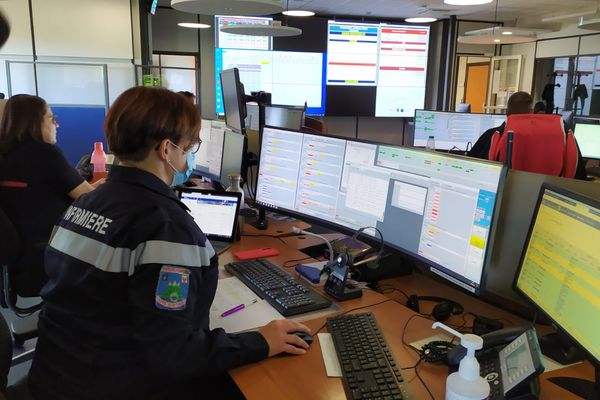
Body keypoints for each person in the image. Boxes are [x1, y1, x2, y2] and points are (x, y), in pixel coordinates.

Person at [28, 87, 311, 400]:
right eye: (190, 148)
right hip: (113, 384)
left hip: (55, 374)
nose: (189, 157)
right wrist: (262, 340)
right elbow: (175, 355)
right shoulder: (164, 226)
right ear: (166, 150)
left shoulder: (87, 203)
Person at [0, 94, 100, 296]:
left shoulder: (5, 154)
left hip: (20, 264)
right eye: (52, 118)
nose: (57, 125)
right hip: (49, 260)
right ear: (35, 122)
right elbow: (90, 197)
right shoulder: (44, 153)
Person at [467, 91, 587, 180]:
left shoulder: (493, 136)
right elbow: (580, 178)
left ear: (507, 113)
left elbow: (469, 169)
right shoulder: (563, 134)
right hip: (548, 198)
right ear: (531, 112)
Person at [467, 91, 533, 160]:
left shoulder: (489, 135)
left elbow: (469, 160)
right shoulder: (534, 140)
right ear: (531, 112)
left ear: (507, 112)